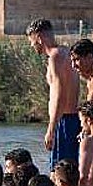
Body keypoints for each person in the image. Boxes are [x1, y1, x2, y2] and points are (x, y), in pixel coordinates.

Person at [27, 18, 79, 168]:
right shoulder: (66, 52)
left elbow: (59, 94)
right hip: (71, 119)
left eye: (31, 40)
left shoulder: (55, 57)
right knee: (70, 171)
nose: (32, 45)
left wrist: (51, 127)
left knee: (59, 174)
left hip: (64, 121)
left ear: (38, 37)